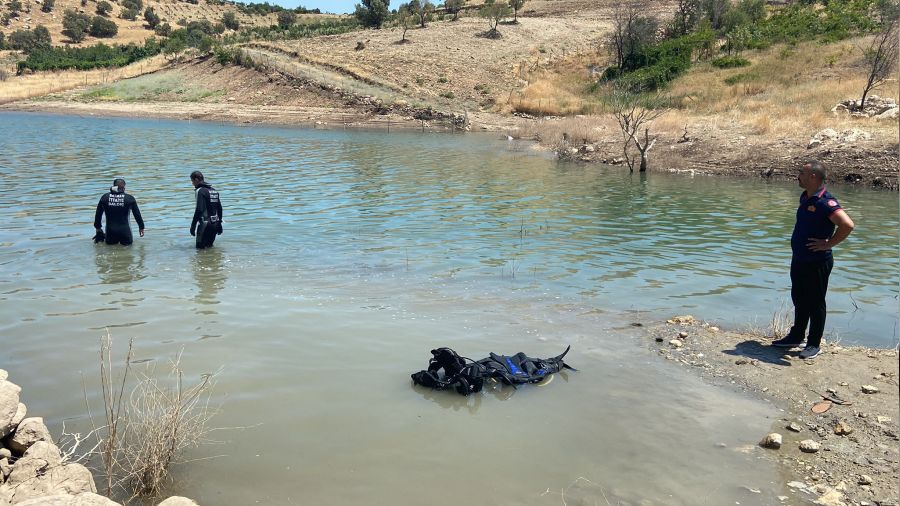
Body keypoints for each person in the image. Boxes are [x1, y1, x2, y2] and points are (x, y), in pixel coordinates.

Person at [772, 161, 854, 359]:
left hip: (817, 261)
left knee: (816, 302)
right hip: (800, 258)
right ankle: (796, 336)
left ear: (813, 177)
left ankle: (814, 344)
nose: (798, 175)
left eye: (802, 173)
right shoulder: (806, 197)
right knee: (799, 298)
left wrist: (828, 244)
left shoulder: (825, 202)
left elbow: (848, 225)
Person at [94, 178, 144, 246]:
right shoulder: (129, 198)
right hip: (125, 232)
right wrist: (141, 227)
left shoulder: (104, 197)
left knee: (110, 252)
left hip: (110, 232)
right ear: (124, 187)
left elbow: (98, 214)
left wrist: (98, 228)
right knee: (128, 253)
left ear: (114, 186)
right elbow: (137, 214)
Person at [189, 170, 223, 249]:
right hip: (215, 224)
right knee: (209, 249)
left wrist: (193, 226)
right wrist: (219, 224)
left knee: (200, 251)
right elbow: (220, 209)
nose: (192, 183)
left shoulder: (200, 191)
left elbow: (199, 209)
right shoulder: (214, 191)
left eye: (192, 181)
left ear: (196, 179)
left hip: (205, 225)